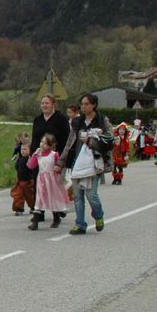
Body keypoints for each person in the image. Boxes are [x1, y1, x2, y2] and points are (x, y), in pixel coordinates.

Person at [56, 93, 113, 235]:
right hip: (78, 163)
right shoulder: (77, 122)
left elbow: (109, 142)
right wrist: (61, 162)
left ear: (94, 105)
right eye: (82, 104)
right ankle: (80, 223)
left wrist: (90, 141)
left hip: (95, 164)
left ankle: (98, 215)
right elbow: (69, 144)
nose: (84, 106)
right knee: (77, 195)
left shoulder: (102, 121)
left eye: (87, 104)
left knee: (91, 195)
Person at [28, 95, 70, 226]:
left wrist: (62, 160)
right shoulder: (38, 119)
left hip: (54, 158)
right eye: (42, 103)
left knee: (53, 188)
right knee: (38, 187)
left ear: (53, 105)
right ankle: (38, 214)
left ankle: (57, 210)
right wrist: (32, 154)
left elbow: (67, 139)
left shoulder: (60, 119)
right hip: (39, 157)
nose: (44, 105)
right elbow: (34, 138)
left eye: (47, 103)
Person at [27, 133, 71, 229]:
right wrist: (34, 155)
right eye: (41, 142)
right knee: (39, 199)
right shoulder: (38, 154)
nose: (42, 144)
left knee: (52, 199)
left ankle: (56, 218)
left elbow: (59, 165)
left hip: (52, 181)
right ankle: (35, 222)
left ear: (51, 146)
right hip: (41, 180)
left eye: (45, 143)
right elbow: (31, 166)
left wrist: (59, 169)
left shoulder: (54, 155)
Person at [9, 132, 35, 215]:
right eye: (22, 150)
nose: (23, 151)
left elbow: (33, 169)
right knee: (17, 195)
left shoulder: (31, 159)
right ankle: (18, 208)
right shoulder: (20, 159)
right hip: (20, 181)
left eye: (25, 149)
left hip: (28, 181)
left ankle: (33, 207)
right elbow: (17, 167)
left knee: (30, 196)